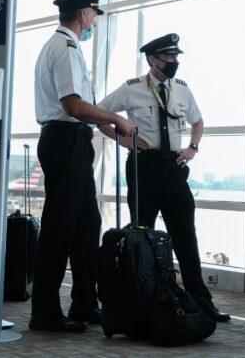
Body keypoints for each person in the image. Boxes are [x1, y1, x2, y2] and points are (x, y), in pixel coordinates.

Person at [97, 33, 230, 323]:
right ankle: (147, 299)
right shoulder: (131, 89)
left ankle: (201, 302)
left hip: (174, 169)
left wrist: (193, 147)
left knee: (185, 236)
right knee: (143, 235)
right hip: (144, 167)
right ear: (151, 59)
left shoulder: (182, 89)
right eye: (168, 58)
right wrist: (122, 141)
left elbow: (198, 121)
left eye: (176, 57)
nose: (174, 62)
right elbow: (100, 116)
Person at [30, 0, 135, 333]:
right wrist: (117, 118)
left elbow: (84, 111)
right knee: (59, 228)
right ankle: (45, 312)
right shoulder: (66, 49)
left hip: (74, 141)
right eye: (93, 15)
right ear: (83, 15)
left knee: (87, 227)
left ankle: (85, 303)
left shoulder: (66, 48)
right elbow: (74, 107)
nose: (94, 22)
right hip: (65, 141)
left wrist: (122, 134)